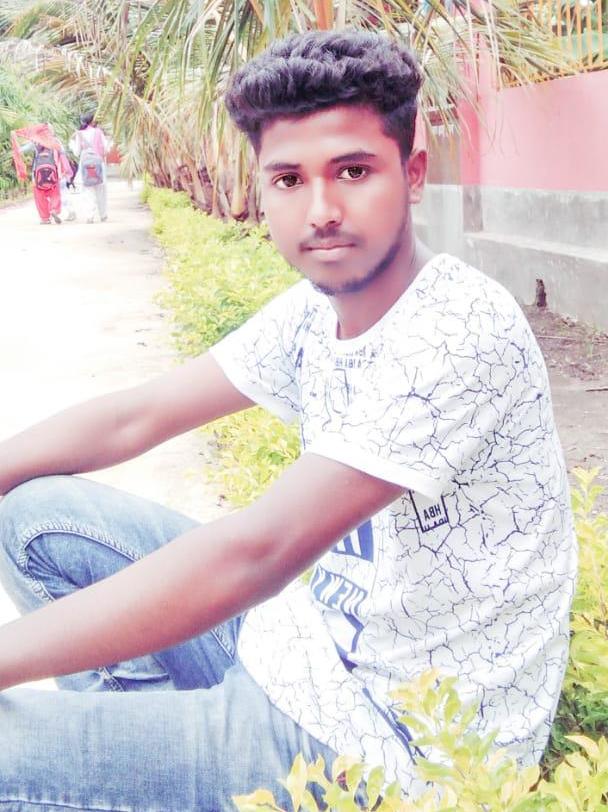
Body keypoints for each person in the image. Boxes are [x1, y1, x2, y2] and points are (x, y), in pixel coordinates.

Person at [0, 30, 576, 810]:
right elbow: (137, 417)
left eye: (353, 171)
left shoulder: (459, 328)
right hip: (300, 649)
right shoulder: (314, 311)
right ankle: (142, 765)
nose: (322, 211)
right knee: (36, 517)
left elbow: (255, 553)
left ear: (412, 175)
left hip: (386, 745)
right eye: (289, 179)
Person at [11, 123, 72, 225]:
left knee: (39, 196)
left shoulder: (35, 142)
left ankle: (45, 218)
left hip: (37, 175)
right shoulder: (55, 141)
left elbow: (21, 151)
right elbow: (63, 154)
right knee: (55, 193)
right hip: (54, 173)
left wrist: (14, 138)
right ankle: (54, 209)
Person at [69, 111, 110, 223]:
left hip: (85, 165)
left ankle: (90, 216)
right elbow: (106, 149)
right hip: (99, 164)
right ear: (92, 121)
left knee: (87, 190)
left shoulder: (79, 134)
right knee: (101, 191)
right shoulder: (99, 132)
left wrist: (72, 144)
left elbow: (77, 152)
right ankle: (103, 215)